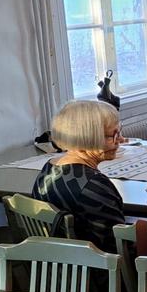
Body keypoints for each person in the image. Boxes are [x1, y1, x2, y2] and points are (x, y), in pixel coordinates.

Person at [32, 100, 124, 253]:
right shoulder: (94, 184)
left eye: (119, 132)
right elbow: (119, 244)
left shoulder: (49, 168)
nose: (121, 140)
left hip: (53, 260)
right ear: (87, 138)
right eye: (113, 136)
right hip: (95, 264)